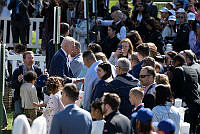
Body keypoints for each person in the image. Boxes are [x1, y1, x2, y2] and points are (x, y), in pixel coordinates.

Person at [170, 54, 200, 133]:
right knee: (192, 129)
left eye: (173, 62)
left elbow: (173, 87)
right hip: (195, 103)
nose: (173, 65)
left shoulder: (178, 70)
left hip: (184, 105)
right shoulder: (192, 69)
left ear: (177, 61)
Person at [11, 51, 43, 119]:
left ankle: (38, 128)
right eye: (29, 58)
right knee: (18, 112)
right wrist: (18, 81)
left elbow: (41, 84)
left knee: (40, 111)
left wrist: (45, 78)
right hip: (21, 96)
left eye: (32, 58)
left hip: (35, 95)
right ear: (24, 59)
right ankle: (15, 128)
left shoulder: (37, 70)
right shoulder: (18, 70)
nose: (31, 60)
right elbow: (12, 85)